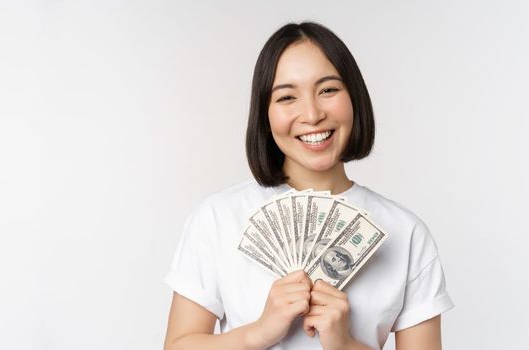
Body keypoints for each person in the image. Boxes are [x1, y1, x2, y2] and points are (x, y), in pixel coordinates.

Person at [163, 21, 454, 350]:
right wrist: (259, 332)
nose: (312, 114)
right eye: (287, 97)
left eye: (328, 90)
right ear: (265, 114)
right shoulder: (218, 218)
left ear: (354, 97)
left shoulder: (407, 233)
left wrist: (345, 345)